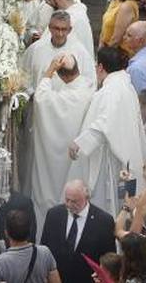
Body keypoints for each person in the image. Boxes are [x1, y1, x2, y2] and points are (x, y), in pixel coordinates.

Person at [66, 46, 146, 213]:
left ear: (101, 67)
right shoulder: (126, 86)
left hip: (111, 157)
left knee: (108, 205)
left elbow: (105, 123)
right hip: (125, 154)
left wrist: (79, 143)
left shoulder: (111, 90)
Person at [29, 54, 95, 236]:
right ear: (78, 70)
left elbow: (41, 98)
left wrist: (49, 71)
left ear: (61, 76)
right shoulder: (89, 88)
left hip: (54, 161)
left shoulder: (59, 97)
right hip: (77, 157)